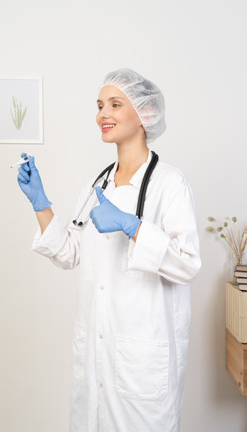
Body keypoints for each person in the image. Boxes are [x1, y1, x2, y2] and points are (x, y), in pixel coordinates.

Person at [17, 68, 201, 432]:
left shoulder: (170, 184)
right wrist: (41, 202)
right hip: (95, 361)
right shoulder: (97, 183)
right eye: (100, 105)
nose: (103, 114)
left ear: (145, 114)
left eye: (115, 104)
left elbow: (188, 264)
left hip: (141, 368)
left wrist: (133, 227)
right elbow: (71, 253)